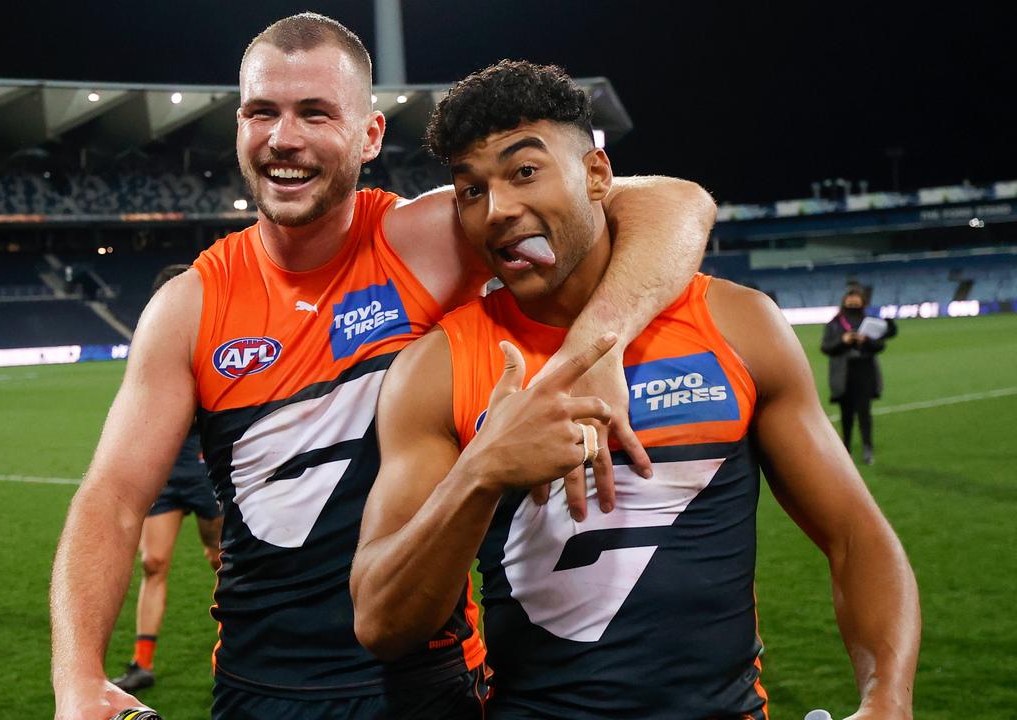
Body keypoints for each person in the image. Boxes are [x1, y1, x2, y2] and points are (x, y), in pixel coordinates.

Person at [50, 13, 718, 720]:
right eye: (262, 113)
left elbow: (676, 201)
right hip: (261, 688)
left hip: (426, 682)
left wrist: (597, 345)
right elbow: (113, 500)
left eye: (315, 113)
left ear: (370, 135)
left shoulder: (426, 240)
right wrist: (77, 677)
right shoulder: (188, 308)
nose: (285, 138)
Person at [351, 60, 920, 719]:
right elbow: (382, 623)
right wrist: (480, 473)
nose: (499, 209)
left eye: (524, 171)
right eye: (471, 190)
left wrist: (888, 697)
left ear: (597, 175)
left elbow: (857, 537)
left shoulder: (736, 325)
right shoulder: (437, 367)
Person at [109, 264, 224, 695]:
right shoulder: (152, 346)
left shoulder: (215, 342)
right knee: (152, 563)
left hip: (205, 470)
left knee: (221, 562)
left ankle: (231, 645)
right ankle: (142, 663)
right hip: (164, 470)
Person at [821, 284, 888, 465]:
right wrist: (843, 341)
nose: (853, 300)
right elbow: (826, 347)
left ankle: (867, 448)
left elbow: (880, 346)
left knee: (865, 412)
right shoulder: (835, 323)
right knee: (846, 414)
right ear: (844, 300)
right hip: (844, 374)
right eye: (850, 297)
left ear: (862, 301)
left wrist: (865, 340)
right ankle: (846, 449)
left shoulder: (870, 321)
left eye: (856, 297)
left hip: (865, 371)